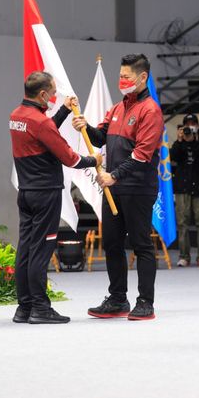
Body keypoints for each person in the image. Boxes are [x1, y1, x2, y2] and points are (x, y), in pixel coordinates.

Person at [71, 54, 164, 321]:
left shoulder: (151, 111)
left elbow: (143, 153)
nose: (121, 81)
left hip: (137, 187)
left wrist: (114, 176)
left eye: (126, 77)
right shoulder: (116, 108)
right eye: (120, 76)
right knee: (112, 243)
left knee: (141, 244)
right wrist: (84, 127)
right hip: (113, 188)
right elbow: (100, 137)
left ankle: (145, 302)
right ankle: (117, 299)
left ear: (142, 77)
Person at [10, 71, 101, 324]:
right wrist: (95, 160)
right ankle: (41, 308)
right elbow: (70, 158)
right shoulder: (41, 122)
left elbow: (43, 133)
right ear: (41, 94)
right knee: (41, 250)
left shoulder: (16, 115)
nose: (53, 97)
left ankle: (24, 308)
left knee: (26, 249)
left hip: (26, 193)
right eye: (51, 93)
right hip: (46, 195)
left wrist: (61, 111)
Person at [170, 113, 199, 267]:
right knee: (182, 223)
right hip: (182, 188)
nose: (190, 127)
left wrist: (194, 140)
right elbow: (172, 157)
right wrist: (180, 140)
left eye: (193, 124)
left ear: (197, 126)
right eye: (187, 125)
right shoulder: (179, 143)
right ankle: (184, 256)